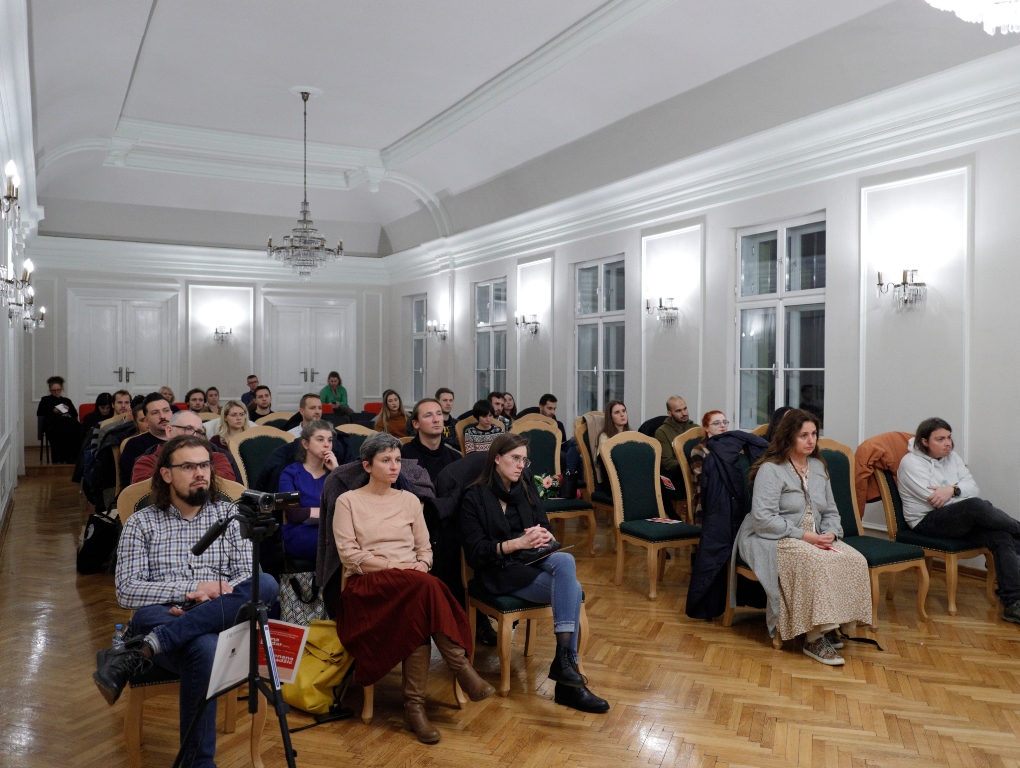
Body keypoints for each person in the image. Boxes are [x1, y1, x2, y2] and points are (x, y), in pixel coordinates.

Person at [93, 434, 279, 767]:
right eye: (189, 466)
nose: (200, 473)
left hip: (217, 616)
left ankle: (148, 646)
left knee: (265, 583)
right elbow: (127, 590)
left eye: (205, 465)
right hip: (161, 614)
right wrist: (194, 589)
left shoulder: (231, 516)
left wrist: (209, 601)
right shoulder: (141, 522)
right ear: (166, 474)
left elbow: (248, 577)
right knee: (204, 646)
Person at [334, 433, 495, 743]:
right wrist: (399, 568)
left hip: (412, 586)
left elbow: (425, 550)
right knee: (425, 588)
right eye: (386, 460)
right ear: (367, 466)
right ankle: (460, 668)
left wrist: (421, 564)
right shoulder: (348, 501)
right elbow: (350, 556)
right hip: (368, 587)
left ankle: (415, 708)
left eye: (397, 460)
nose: (395, 466)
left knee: (419, 598)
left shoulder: (409, 500)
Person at [459, 433, 610, 714]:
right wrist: (517, 543)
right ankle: (569, 681)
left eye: (524, 460)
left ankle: (564, 661)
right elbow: (476, 552)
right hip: (500, 572)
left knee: (564, 560)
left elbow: (545, 526)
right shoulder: (474, 496)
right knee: (573, 590)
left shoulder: (525, 488)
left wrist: (543, 536)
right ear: (497, 459)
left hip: (533, 560)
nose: (521, 466)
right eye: (515, 458)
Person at [735, 409, 872, 665]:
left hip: (815, 535)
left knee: (854, 560)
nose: (811, 441)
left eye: (814, 434)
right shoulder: (771, 469)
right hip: (772, 536)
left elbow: (831, 510)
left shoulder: (818, 467)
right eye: (803, 435)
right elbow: (763, 519)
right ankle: (813, 638)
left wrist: (831, 532)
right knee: (815, 561)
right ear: (788, 437)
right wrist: (804, 536)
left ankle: (829, 625)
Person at [898, 417, 1020, 624]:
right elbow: (935, 500)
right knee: (976, 505)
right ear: (924, 441)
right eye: (940, 439)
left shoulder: (951, 457)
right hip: (926, 521)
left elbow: (973, 487)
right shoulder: (910, 463)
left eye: (949, 437)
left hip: (960, 518)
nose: (948, 443)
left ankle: (1013, 603)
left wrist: (952, 490)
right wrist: (961, 497)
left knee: (1001, 536)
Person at [277, 420, 337, 562]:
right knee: (339, 544)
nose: (326, 445)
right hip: (301, 533)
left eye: (330, 440)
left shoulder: (335, 473)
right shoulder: (289, 473)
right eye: (320, 439)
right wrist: (332, 514)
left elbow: (352, 505)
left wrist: (337, 471)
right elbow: (294, 513)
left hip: (334, 531)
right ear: (305, 444)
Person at [131, 410, 237, 484]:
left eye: (199, 432)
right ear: (169, 431)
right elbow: (145, 494)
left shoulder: (217, 458)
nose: (195, 436)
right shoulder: (147, 462)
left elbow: (227, 486)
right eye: (188, 429)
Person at [119, 393, 173, 483]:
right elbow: (135, 484)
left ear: (172, 413)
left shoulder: (182, 440)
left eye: (166, 411)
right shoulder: (134, 444)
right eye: (155, 413)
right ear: (146, 419)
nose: (162, 416)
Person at [688, 411, 729, 524]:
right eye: (717, 423)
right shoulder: (699, 450)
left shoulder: (731, 447)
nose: (722, 425)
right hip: (708, 495)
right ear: (706, 428)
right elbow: (706, 479)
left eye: (725, 422)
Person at [37, 376, 80, 463]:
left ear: (62, 388)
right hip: (53, 425)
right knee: (62, 423)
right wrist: (52, 411)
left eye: (58, 390)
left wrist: (68, 410)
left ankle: (73, 457)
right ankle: (62, 458)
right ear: (50, 390)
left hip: (68, 424)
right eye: (53, 390)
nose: (56, 392)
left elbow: (75, 415)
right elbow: (40, 413)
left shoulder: (66, 401)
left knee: (74, 427)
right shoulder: (45, 400)